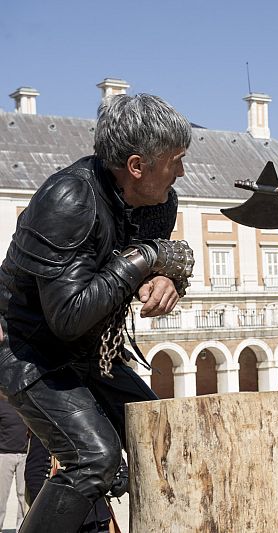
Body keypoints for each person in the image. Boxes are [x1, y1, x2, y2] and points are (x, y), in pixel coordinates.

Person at [0, 93, 195, 533]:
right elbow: (67, 315)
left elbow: (157, 262)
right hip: (30, 352)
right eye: (176, 160)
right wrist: (145, 259)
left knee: (160, 437)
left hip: (89, 352)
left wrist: (167, 278)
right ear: (137, 165)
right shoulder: (68, 199)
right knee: (93, 458)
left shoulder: (158, 200)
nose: (182, 171)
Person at [0, 394, 27, 530]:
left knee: (23, 496)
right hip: (4, 455)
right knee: (1, 495)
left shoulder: (26, 406)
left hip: (25, 456)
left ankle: (21, 528)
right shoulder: (2, 405)